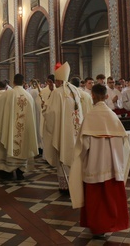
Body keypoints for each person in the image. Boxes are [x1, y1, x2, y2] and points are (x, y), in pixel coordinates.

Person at [69, 84, 130, 237]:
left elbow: (83, 146)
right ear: (106, 96)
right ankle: (108, 225)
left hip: (94, 166)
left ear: (93, 97)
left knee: (96, 200)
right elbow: (126, 145)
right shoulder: (112, 117)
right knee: (110, 200)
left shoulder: (90, 117)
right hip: (112, 167)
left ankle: (97, 227)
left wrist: (81, 160)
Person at [42, 62, 84, 193]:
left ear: (59, 80)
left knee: (64, 152)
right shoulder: (76, 90)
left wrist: (44, 108)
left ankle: (65, 186)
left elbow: (51, 114)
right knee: (75, 155)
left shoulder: (58, 93)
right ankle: (77, 184)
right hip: (76, 130)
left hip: (64, 132)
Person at [0, 74, 38, 180]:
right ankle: (20, 171)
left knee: (8, 140)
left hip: (10, 129)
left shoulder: (8, 94)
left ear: (13, 82)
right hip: (24, 129)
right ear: (24, 83)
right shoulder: (28, 96)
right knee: (23, 145)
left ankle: (8, 171)